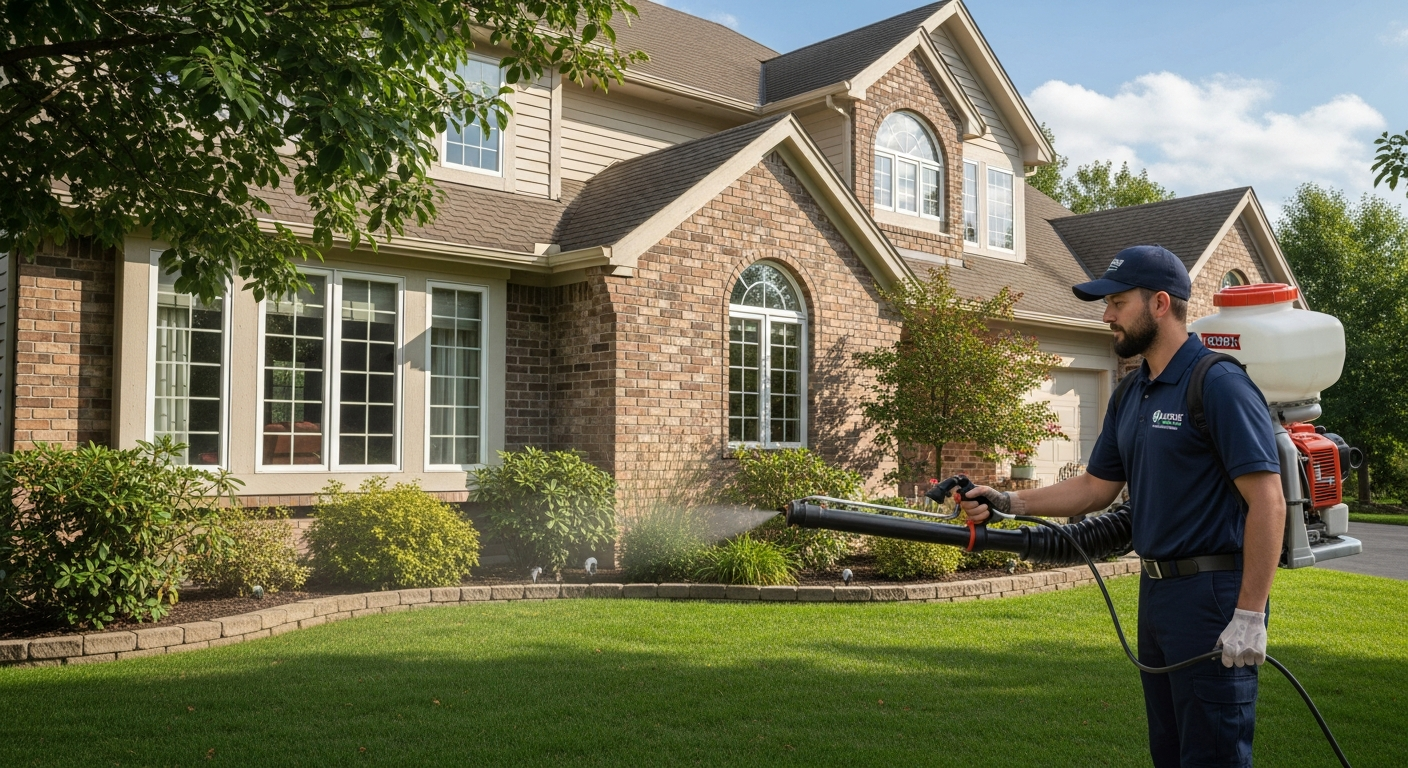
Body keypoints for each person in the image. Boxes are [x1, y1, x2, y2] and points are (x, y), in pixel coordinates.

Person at [959, 245, 1286, 768]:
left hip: (1212, 598)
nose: (1106, 314)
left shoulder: (1218, 384)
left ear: (1160, 303)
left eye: (1116, 302)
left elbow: (1268, 502)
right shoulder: (1133, 392)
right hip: (1155, 594)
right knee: (1170, 752)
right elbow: (1094, 487)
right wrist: (1010, 500)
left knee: (1212, 755)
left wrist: (1250, 614)